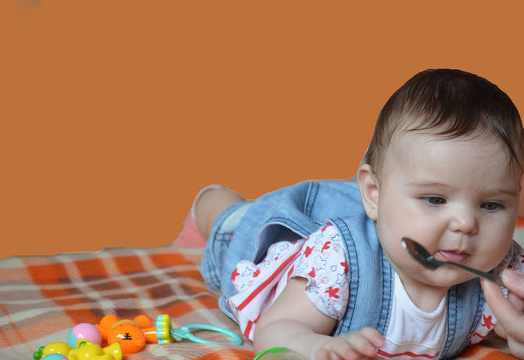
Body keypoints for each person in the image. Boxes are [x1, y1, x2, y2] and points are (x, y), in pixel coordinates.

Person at [172, 69, 524, 359]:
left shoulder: (504, 274)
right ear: (373, 193)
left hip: (375, 211)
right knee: (231, 221)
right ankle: (211, 202)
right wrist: (314, 346)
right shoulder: (338, 262)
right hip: (282, 239)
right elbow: (277, 327)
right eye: (434, 199)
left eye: (491, 205)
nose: (466, 224)